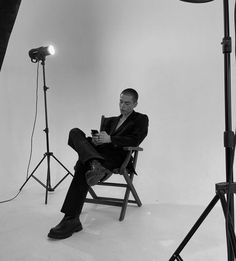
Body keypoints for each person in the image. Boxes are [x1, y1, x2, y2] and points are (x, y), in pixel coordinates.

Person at [48, 88, 149, 239]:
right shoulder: (111, 121)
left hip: (117, 158)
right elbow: (101, 141)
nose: (122, 106)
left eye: (127, 103)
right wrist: (97, 140)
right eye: (121, 102)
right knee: (75, 132)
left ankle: (71, 219)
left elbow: (136, 140)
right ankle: (93, 163)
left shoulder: (140, 119)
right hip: (99, 155)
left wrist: (111, 140)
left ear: (135, 104)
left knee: (83, 166)